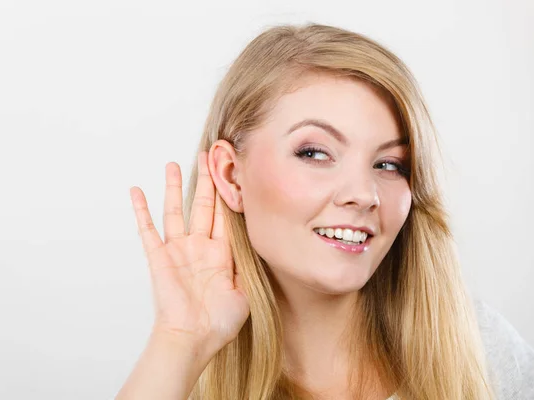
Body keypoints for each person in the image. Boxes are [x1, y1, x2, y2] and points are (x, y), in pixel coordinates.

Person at [117, 23, 534, 399]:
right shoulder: (176, 378)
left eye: (390, 164)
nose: (364, 194)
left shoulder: (482, 353)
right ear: (230, 175)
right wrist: (180, 341)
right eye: (315, 153)